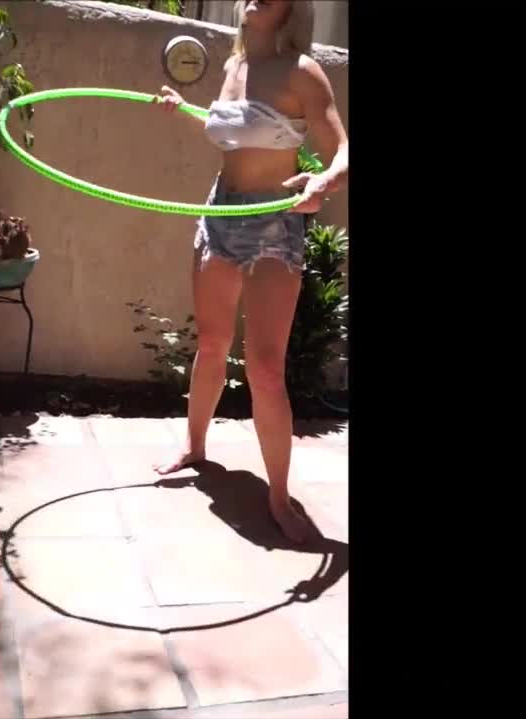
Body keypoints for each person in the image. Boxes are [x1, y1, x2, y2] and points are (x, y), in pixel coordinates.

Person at [151, 0, 348, 543]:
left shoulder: (302, 71)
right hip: (220, 214)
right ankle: (194, 447)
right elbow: (236, 132)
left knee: (264, 367)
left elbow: (343, 150)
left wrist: (322, 182)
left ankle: (278, 497)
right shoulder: (233, 65)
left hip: (273, 225)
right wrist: (185, 110)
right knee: (211, 344)